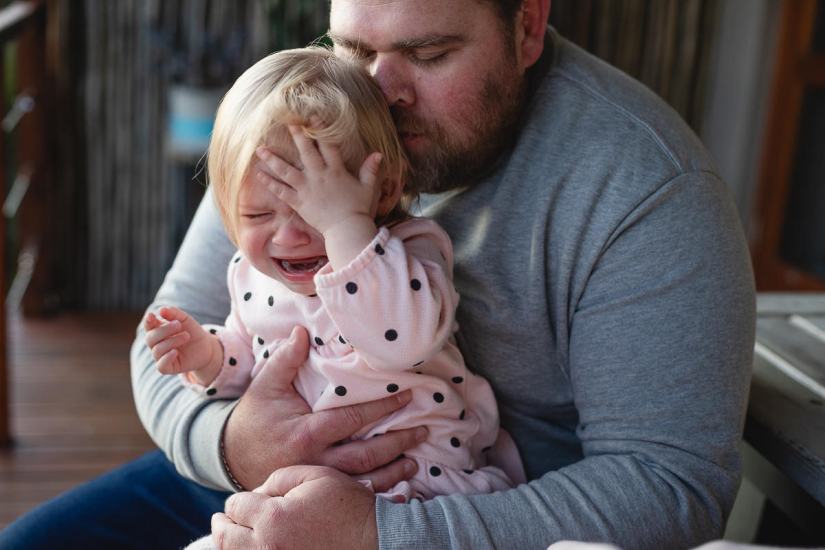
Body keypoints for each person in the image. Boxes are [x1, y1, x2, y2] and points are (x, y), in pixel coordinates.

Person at [0, 0, 755, 548]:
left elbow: (671, 487)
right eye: (354, 48)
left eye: (428, 55)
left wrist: (382, 534)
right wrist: (231, 442)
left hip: (468, 509)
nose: (377, 93)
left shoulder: (643, 188)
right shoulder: (307, 110)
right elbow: (173, 329)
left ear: (527, 26)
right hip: (253, 480)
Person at [144, 46, 521, 509]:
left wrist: (346, 228)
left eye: (314, 210)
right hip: (301, 492)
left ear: (383, 190)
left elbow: (401, 340)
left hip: (419, 488)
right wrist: (206, 354)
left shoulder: (408, 252)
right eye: (258, 213)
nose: (290, 235)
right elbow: (250, 361)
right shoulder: (252, 276)